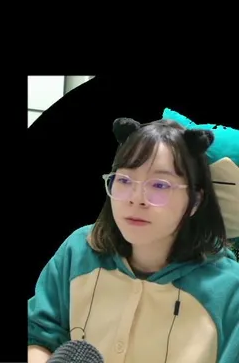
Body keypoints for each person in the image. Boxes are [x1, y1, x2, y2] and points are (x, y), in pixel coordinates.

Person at [26, 117, 239, 363]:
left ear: (195, 201)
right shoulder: (78, 250)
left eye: (159, 185)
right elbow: (39, 334)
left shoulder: (230, 290)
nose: (136, 199)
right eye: (124, 181)